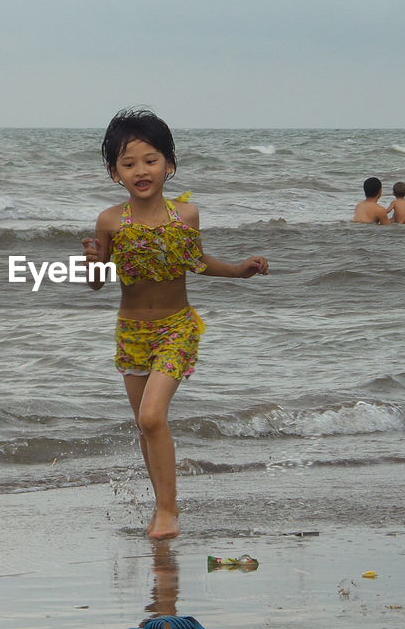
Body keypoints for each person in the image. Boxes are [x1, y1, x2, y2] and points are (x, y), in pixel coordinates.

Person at [82, 108, 268, 540]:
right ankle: (161, 506)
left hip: (177, 328)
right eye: (128, 164)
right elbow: (95, 284)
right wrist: (91, 263)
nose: (140, 171)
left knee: (151, 416)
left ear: (169, 164)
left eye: (150, 160)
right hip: (131, 334)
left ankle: (168, 512)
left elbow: (196, 262)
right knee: (147, 427)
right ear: (114, 173)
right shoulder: (110, 221)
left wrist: (239, 270)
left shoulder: (186, 215)